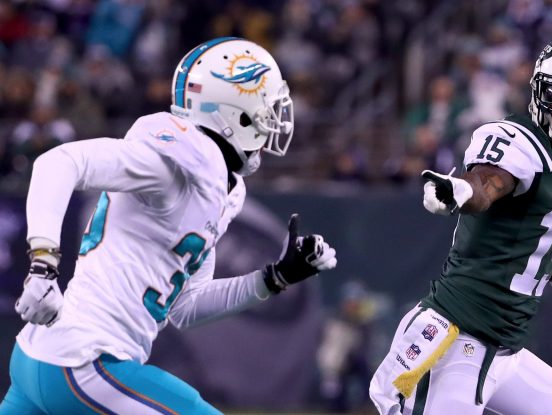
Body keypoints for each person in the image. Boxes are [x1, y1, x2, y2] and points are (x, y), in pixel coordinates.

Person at [0, 37, 337, 415]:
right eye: (265, 107)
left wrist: (274, 278)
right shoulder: (173, 159)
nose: (273, 119)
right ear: (234, 111)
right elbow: (57, 162)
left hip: (45, 359)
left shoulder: (222, 187)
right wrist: (43, 265)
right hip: (83, 362)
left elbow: (184, 308)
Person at [369, 31, 552, 415]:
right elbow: (488, 183)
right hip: (456, 340)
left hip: (505, 349)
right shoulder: (518, 141)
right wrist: (460, 190)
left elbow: (540, 226)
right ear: (541, 90)